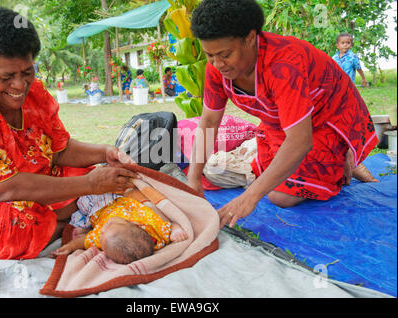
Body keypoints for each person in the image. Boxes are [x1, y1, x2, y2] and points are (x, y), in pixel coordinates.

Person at [0, 7, 138, 264]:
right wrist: (91, 185)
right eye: (7, 77)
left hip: (35, 182)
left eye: (27, 72)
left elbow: (57, 149)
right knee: (4, 224)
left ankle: (66, 218)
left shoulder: (32, 90)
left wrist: (105, 152)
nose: (19, 85)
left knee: (94, 173)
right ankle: (71, 218)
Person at [188, 0, 379, 229]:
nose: (218, 64)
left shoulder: (283, 64)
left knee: (280, 197)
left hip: (327, 117)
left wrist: (249, 199)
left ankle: (341, 157)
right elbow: (209, 122)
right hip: (284, 123)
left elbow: (299, 141)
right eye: (210, 55)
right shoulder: (217, 69)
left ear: (250, 38)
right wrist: (193, 179)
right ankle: (335, 160)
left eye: (225, 54)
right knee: (271, 178)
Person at [50, 187, 188, 264]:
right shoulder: (153, 226)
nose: (102, 229)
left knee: (80, 203)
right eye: (110, 224)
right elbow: (170, 224)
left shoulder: (105, 238)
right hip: (115, 199)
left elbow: (84, 241)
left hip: (95, 209)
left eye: (102, 233)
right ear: (133, 223)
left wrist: (69, 247)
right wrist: (176, 231)